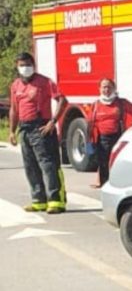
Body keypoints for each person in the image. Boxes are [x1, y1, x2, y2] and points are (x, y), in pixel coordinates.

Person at [8, 52, 67, 214]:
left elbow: (62, 100)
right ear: (17, 66)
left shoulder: (44, 82)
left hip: (41, 126)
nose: (25, 68)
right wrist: (12, 131)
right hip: (24, 129)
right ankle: (38, 200)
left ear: (33, 65)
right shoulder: (16, 85)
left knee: (48, 164)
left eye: (27, 64)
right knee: (30, 166)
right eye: (21, 65)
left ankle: (55, 200)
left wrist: (52, 122)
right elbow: (14, 109)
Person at [87, 78, 132, 187]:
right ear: (99, 89)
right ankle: (104, 184)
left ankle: (118, 183)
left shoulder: (121, 103)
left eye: (109, 87)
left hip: (118, 137)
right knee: (103, 163)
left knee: (117, 162)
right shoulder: (96, 105)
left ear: (114, 89)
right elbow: (90, 123)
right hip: (101, 139)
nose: (106, 90)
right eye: (104, 87)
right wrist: (89, 141)